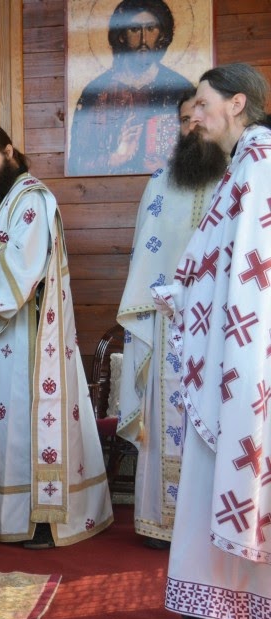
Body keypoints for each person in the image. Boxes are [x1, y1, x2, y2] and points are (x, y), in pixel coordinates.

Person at [152, 63, 271, 619]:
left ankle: (242, 609)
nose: (194, 116)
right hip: (229, 346)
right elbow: (220, 262)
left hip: (244, 352)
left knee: (236, 466)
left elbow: (253, 273)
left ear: (237, 103)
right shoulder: (244, 164)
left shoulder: (259, 164)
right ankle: (220, 604)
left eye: (203, 104)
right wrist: (186, 290)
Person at [0, 123, 113, 548]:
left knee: (29, 426)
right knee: (4, 429)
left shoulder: (32, 200)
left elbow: (21, 269)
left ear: (9, 152)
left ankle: (42, 519)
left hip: (32, 341)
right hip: (2, 342)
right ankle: (6, 517)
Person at [115, 90, 224, 549]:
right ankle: (161, 523)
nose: (192, 126)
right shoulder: (160, 182)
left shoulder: (238, 177)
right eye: (184, 119)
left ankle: (214, 525)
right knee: (165, 421)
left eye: (200, 115)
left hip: (222, 326)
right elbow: (145, 255)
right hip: (166, 325)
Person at [67, 0, 194, 176]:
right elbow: (76, 162)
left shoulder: (181, 90)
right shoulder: (95, 93)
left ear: (161, 34)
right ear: (121, 35)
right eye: (134, 29)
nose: (143, 40)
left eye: (151, 29)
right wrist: (116, 157)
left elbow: (197, 153)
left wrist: (168, 167)